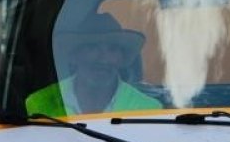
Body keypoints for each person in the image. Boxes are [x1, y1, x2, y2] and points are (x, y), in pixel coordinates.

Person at [26, 12, 162, 117]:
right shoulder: (40, 103)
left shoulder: (148, 108)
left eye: (112, 49)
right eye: (92, 47)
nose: (103, 59)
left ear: (122, 59)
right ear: (74, 55)